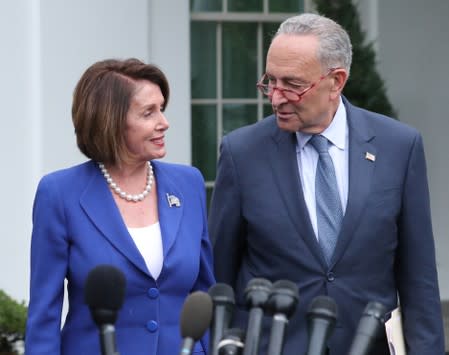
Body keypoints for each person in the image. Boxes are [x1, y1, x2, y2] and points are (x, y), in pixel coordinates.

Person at [208, 13, 444, 355]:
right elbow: (219, 277)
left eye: (292, 84)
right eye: (270, 81)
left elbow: (418, 277)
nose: (276, 98)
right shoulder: (241, 152)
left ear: (336, 81)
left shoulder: (398, 146)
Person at [25, 58, 215, 355]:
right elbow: (44, 313)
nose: (163, 123)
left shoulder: (188, 184)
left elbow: (204, 293)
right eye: (148, 112)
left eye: (162, 109)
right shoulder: (59, 194)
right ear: (110, 120)